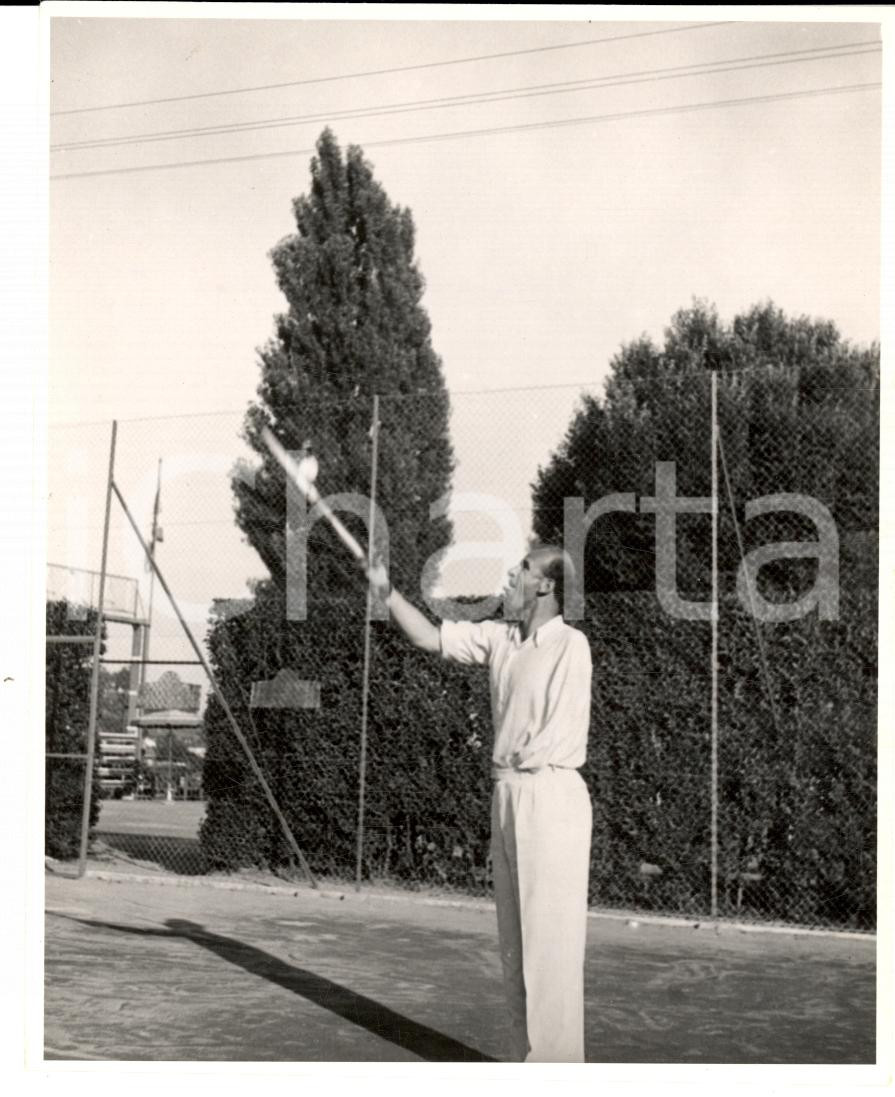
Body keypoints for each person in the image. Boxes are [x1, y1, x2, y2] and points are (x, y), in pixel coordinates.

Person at [367, 544, 593, 1062]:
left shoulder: (570, 645)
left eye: (522, 571)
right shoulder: (499, 639)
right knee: (516, 954)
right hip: (508, 793)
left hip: (551, 796)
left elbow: (547, 732)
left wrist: (525, 765)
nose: (509, 577)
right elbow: (429, 636)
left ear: (545, 586)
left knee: (549, 954)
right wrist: (386, 591)